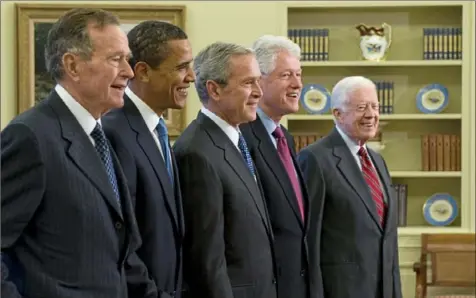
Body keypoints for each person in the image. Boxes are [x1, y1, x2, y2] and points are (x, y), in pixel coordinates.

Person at [1, 8, 156, 298]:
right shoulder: (30, 136)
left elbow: (121, 253)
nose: (129, 71)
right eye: (115, 59)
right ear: (73, 66)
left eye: (127, 59)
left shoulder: (101, 136)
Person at [173, 42, 277, 298]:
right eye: (248, 83)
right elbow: (207, 261)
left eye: (258, 82)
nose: (258, 92)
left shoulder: (237, 140)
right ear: (214, 89)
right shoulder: (196, 152)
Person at [102, 20, 195, 298]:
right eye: (181, 67)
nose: (191, 77)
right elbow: (119, 240)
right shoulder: (113, 133)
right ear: (142, 71)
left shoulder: (157, 129)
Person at [297, 76, 403, 298]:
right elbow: (309, 240)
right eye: (362, 107)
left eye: (375, 106)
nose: (371, 114)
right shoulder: (315, 159)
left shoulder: (377, 161)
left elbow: (387, 239)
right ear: (337, 114)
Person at [240, 35, 324, 298]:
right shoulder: (242, 137)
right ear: (259, 81)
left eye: (298, 74)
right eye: (286, 75)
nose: (298, 84)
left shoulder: (284, 137)